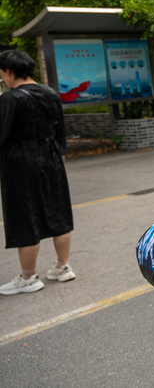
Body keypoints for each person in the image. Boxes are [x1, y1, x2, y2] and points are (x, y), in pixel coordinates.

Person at [0, 50, 76, 296]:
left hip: (20, 163)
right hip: (51, 158)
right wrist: (54, 153)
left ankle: (28, 277)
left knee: (25, 217)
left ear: (9, 72)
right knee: (58, 212)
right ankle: (62, 267)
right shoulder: (51, 93)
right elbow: (60, 134)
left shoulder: (9, 98)